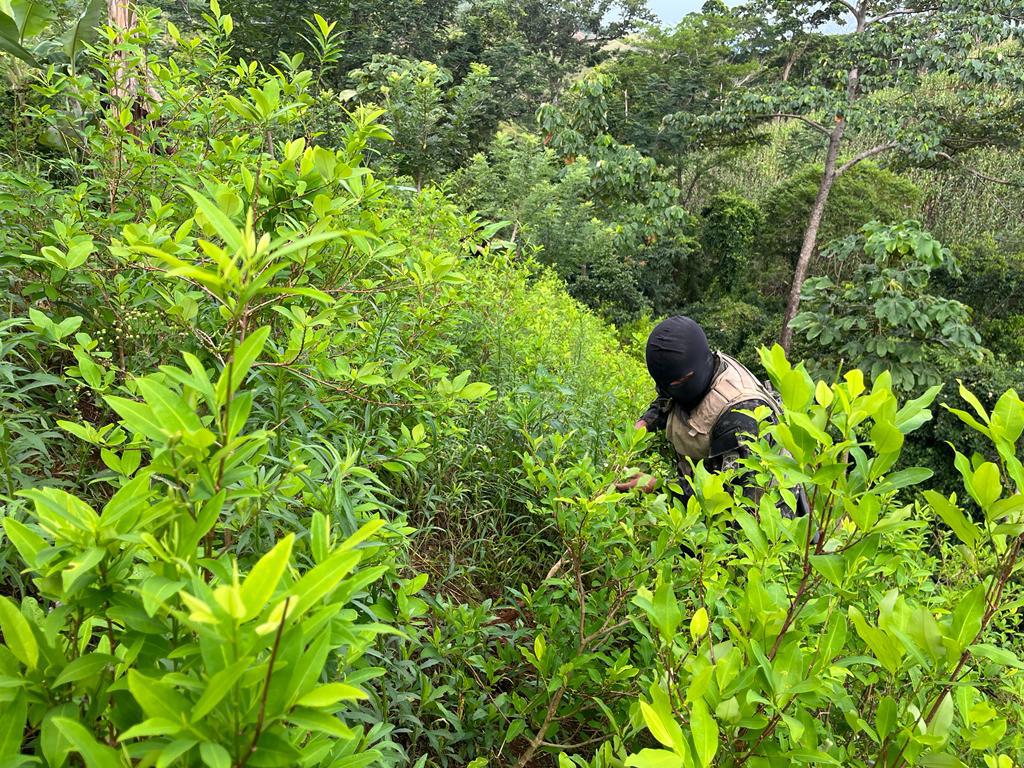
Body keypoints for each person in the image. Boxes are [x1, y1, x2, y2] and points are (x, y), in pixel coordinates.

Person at [617, 315, 808, 516]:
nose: (667, 389)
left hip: (761, 520)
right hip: (703, 503)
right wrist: (644, 424)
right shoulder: (692, 370)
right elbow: (667, 398)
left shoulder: (740, 416)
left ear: (694, 371)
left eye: (674, 383)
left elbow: (728, 494)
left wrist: (658, 486)